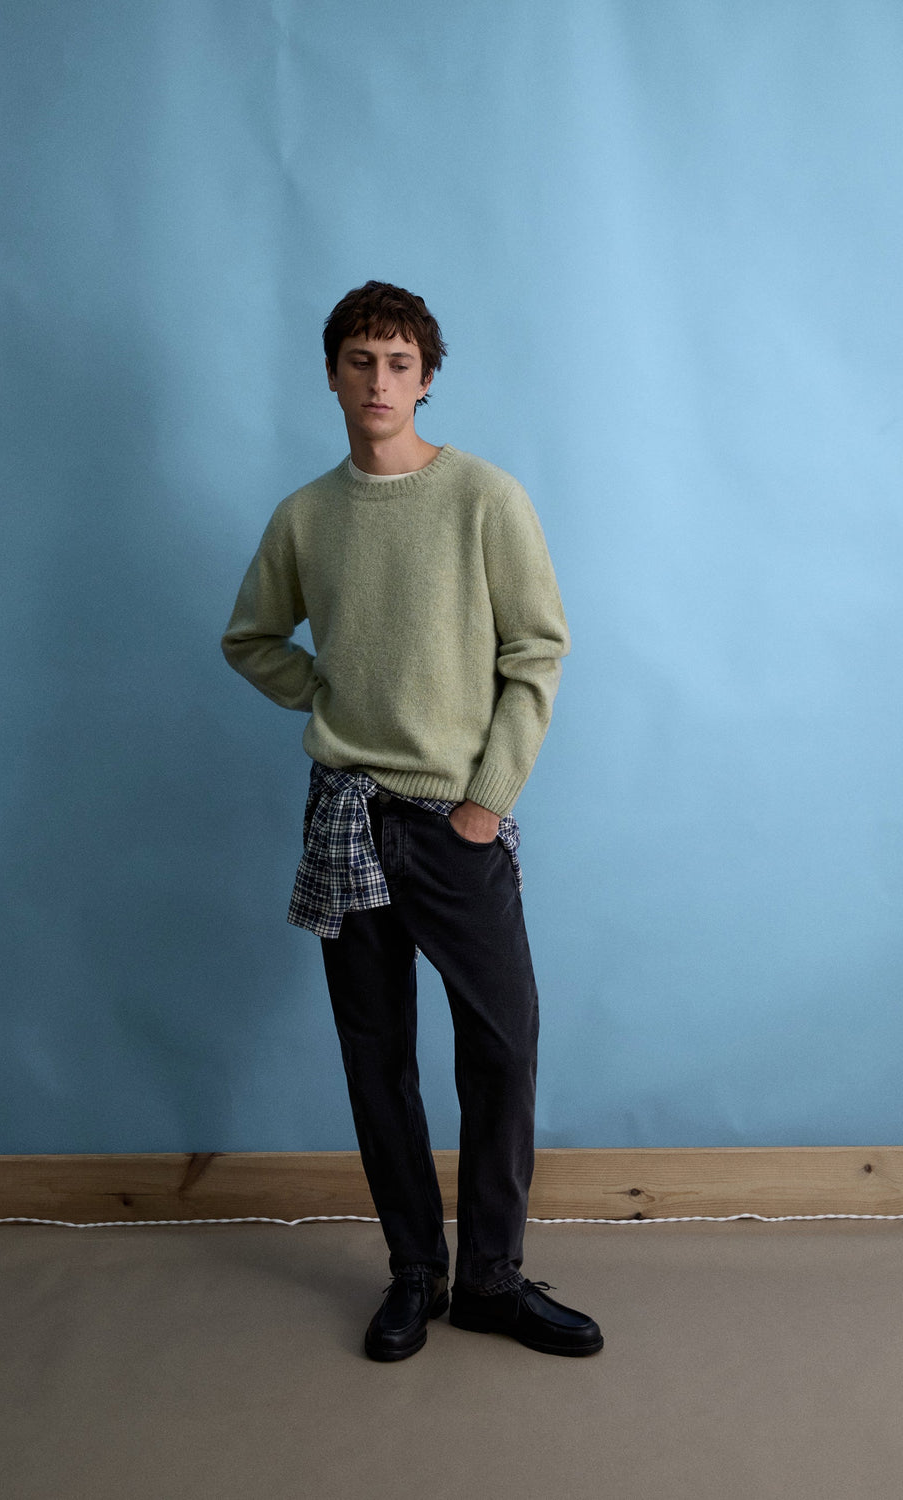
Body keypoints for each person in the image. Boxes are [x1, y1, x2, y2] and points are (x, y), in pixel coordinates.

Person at [221, 280, 603, 1362]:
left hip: (453, 821)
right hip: (346, 812)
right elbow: (250, 638)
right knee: (376, 1056)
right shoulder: (306, 515)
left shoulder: (483, 497)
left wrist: (488, 802)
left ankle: (492, 1280)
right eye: (360, 361)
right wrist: (326, 692)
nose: (379, 381)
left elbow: (536, 651)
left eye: (398, 363)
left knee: (501, 1047)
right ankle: (414, 1273)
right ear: (332, 376)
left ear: (426, 378)